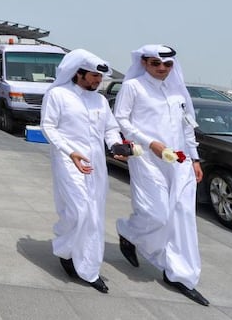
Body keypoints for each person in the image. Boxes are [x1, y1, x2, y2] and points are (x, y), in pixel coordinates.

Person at [113, 44, 209, 306]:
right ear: (144, 63)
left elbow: (187, 126)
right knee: (157, 214)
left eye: (168, 64)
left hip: (179, 161)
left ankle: (180, 274)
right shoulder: (133, 87)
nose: (162, 68)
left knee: (183, 218)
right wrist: (150, 142)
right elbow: (121, 120)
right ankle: (129, 231)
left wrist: (195, 159)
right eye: (156, 63)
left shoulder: (178, 90)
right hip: (147, 158)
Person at [40, 49, 123, 294]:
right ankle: (66, 252)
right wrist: (69, 151)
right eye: (94, 76)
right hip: (68, 160)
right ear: (79, 74)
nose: (99, 81)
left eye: (100, 77)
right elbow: (48, 127)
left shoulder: (99, 100)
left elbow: (110, 128)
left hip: (96, 164)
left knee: (94, 215)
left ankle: (88, 267)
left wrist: (115, 145)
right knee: (79, 211)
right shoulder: (58, 95)